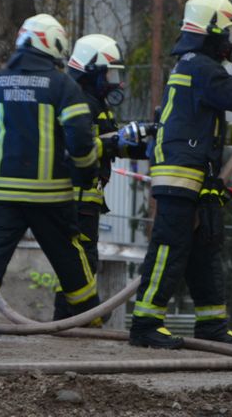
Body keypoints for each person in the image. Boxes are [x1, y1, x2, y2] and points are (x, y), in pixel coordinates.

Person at [0, 14, 101, 333]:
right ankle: (89, 318)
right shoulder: (62, 85)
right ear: (53, 45)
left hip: (3, 193)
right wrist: (86, 171)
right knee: (68, 254)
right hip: (50, 194)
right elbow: (80, 137)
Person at [129, 0, 232, 349]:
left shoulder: (194, 66)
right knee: (170, 247)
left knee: (205, 248)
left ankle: (212, 325)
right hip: (181, 176)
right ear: (212, 31)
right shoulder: (201, 67)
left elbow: (202, 125)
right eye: (229, 32)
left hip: (194, 173)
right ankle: (145, 324)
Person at [53, 33, 149, 321]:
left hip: (88, 198)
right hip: (76, 196)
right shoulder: (79, 102)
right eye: (110, 74)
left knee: (78, 259)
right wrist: (115, 139)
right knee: (81, 258)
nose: (116, 82)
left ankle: (71, 317)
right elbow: (78, 148)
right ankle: (76, 317)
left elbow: (111, 142)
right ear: (92, 71)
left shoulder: (96, 103)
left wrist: (146, 141)